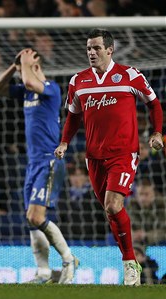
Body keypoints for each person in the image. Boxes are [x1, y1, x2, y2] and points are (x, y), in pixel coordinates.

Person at [54, 28, 164, 286]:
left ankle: (129, 263)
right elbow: (73, 116)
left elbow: (154, 103)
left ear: (109, 50)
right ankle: (130, 260)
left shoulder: (130, 75)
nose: (91, 53)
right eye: (88, 48)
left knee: (114, 205)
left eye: (96, 48)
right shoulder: (77, 81)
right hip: (93, 156)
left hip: (124, 153)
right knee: (110, 210)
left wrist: (157, 132)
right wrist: (64, 142)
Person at [0, 48, 78, 284]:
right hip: (33, 164)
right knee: (31, 220)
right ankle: (43, 272)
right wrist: (13, 66)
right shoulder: (27, 93)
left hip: (50, 161)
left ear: (37, 66)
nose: (22, 75)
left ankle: (69, 259)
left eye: (27, 67)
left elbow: (30, 79)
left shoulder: (52, 90)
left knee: (36, 216)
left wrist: (26, 63)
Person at [128, 178, 166, 245]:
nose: (143, 198)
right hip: (136, 243)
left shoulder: (163, 205)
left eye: (146, 194)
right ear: (136, 195)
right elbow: (126, 226)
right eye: (140, 194)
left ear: (153, 193)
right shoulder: (131, 206)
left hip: (160, 244)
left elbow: (164, 231)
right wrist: (132, 234)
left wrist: (146, 236)